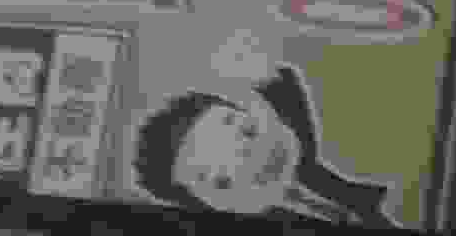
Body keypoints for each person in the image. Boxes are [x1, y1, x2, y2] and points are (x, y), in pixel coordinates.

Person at [122, 31, 394, 220]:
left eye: (249, 131)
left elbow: (286, 102)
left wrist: (266, 76)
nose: (254, 161)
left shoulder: (327, 144)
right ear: (206, 205)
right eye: (222, 181)